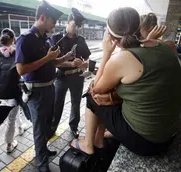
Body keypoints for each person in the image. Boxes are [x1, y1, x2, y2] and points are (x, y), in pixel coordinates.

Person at [70, 7, 181, 156]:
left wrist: (107, 53)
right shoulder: (165, 46)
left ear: (113, 38)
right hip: (170, 133)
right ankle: (101, 137)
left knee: (92, 97)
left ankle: (89, 145)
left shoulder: (122, 59)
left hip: (147, 142)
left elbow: (96, 88)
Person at [15, 1, 73, 171]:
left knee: (47, 124)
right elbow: (21, 69)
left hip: (49, 87)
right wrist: (48, 58)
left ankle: (44, 151)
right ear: (42, 17)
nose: (54, 25)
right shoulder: (25, 39)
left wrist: (66, 57)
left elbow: (52, 61)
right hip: (37, 91)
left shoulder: (44, 39)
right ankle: (41, 163)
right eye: (53, 21)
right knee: (39, 129)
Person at [50, 8, 91, 138]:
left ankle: (73, 127)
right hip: (61, 77)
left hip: (77, 77)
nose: (76, 29)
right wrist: (70, 64)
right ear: (68, 21)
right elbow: (52, 61)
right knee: (57, 103)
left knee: (75, 103)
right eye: (74, 25)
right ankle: (52, 128)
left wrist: (85, 64)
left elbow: (87, 57)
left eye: (78, 26)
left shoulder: (81, 40)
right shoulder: (56, 39)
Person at [0, 28, 28, 153]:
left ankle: (20, 127)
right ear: (12, 39)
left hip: (0, 92)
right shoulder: (17, 52)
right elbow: (21, 72)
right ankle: (9, 145)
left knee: (12, 112)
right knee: (11, 117)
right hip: (13, 92)